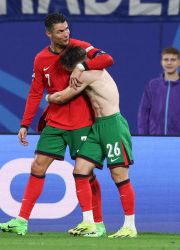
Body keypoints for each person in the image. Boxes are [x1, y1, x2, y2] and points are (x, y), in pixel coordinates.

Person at [0, 13, 114, 237]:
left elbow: (107, 59)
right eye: (60, 31)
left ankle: (97, 223)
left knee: (86, 175)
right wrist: (24, 123)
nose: (66, 34)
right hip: (55, 121)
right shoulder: (40, 59)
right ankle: (21, 221)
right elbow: (35, 93)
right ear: (48, 34)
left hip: (82, 121)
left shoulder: (80, 47)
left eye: (67, 29)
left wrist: (82, 67)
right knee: (37, 166)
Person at [46, 46, 137, 238]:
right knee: (80, 171)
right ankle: (90, 223)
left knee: (119, 176)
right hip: (97, 127)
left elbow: (62, 98)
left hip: (113, 126)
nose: (71, 75)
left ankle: (130, 226)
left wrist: (46, 96)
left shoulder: (88, 74)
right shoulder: (88, 67)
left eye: (70, 71)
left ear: (74, 66)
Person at [138, 46, 180, 135]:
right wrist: (144, 138)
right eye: (166, 60)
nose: (169, 63)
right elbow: (143, 114)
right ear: (161, 62)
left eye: (173, 60)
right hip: (155, 141)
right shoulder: (152, 86)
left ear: (179, 62)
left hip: (179, 141)